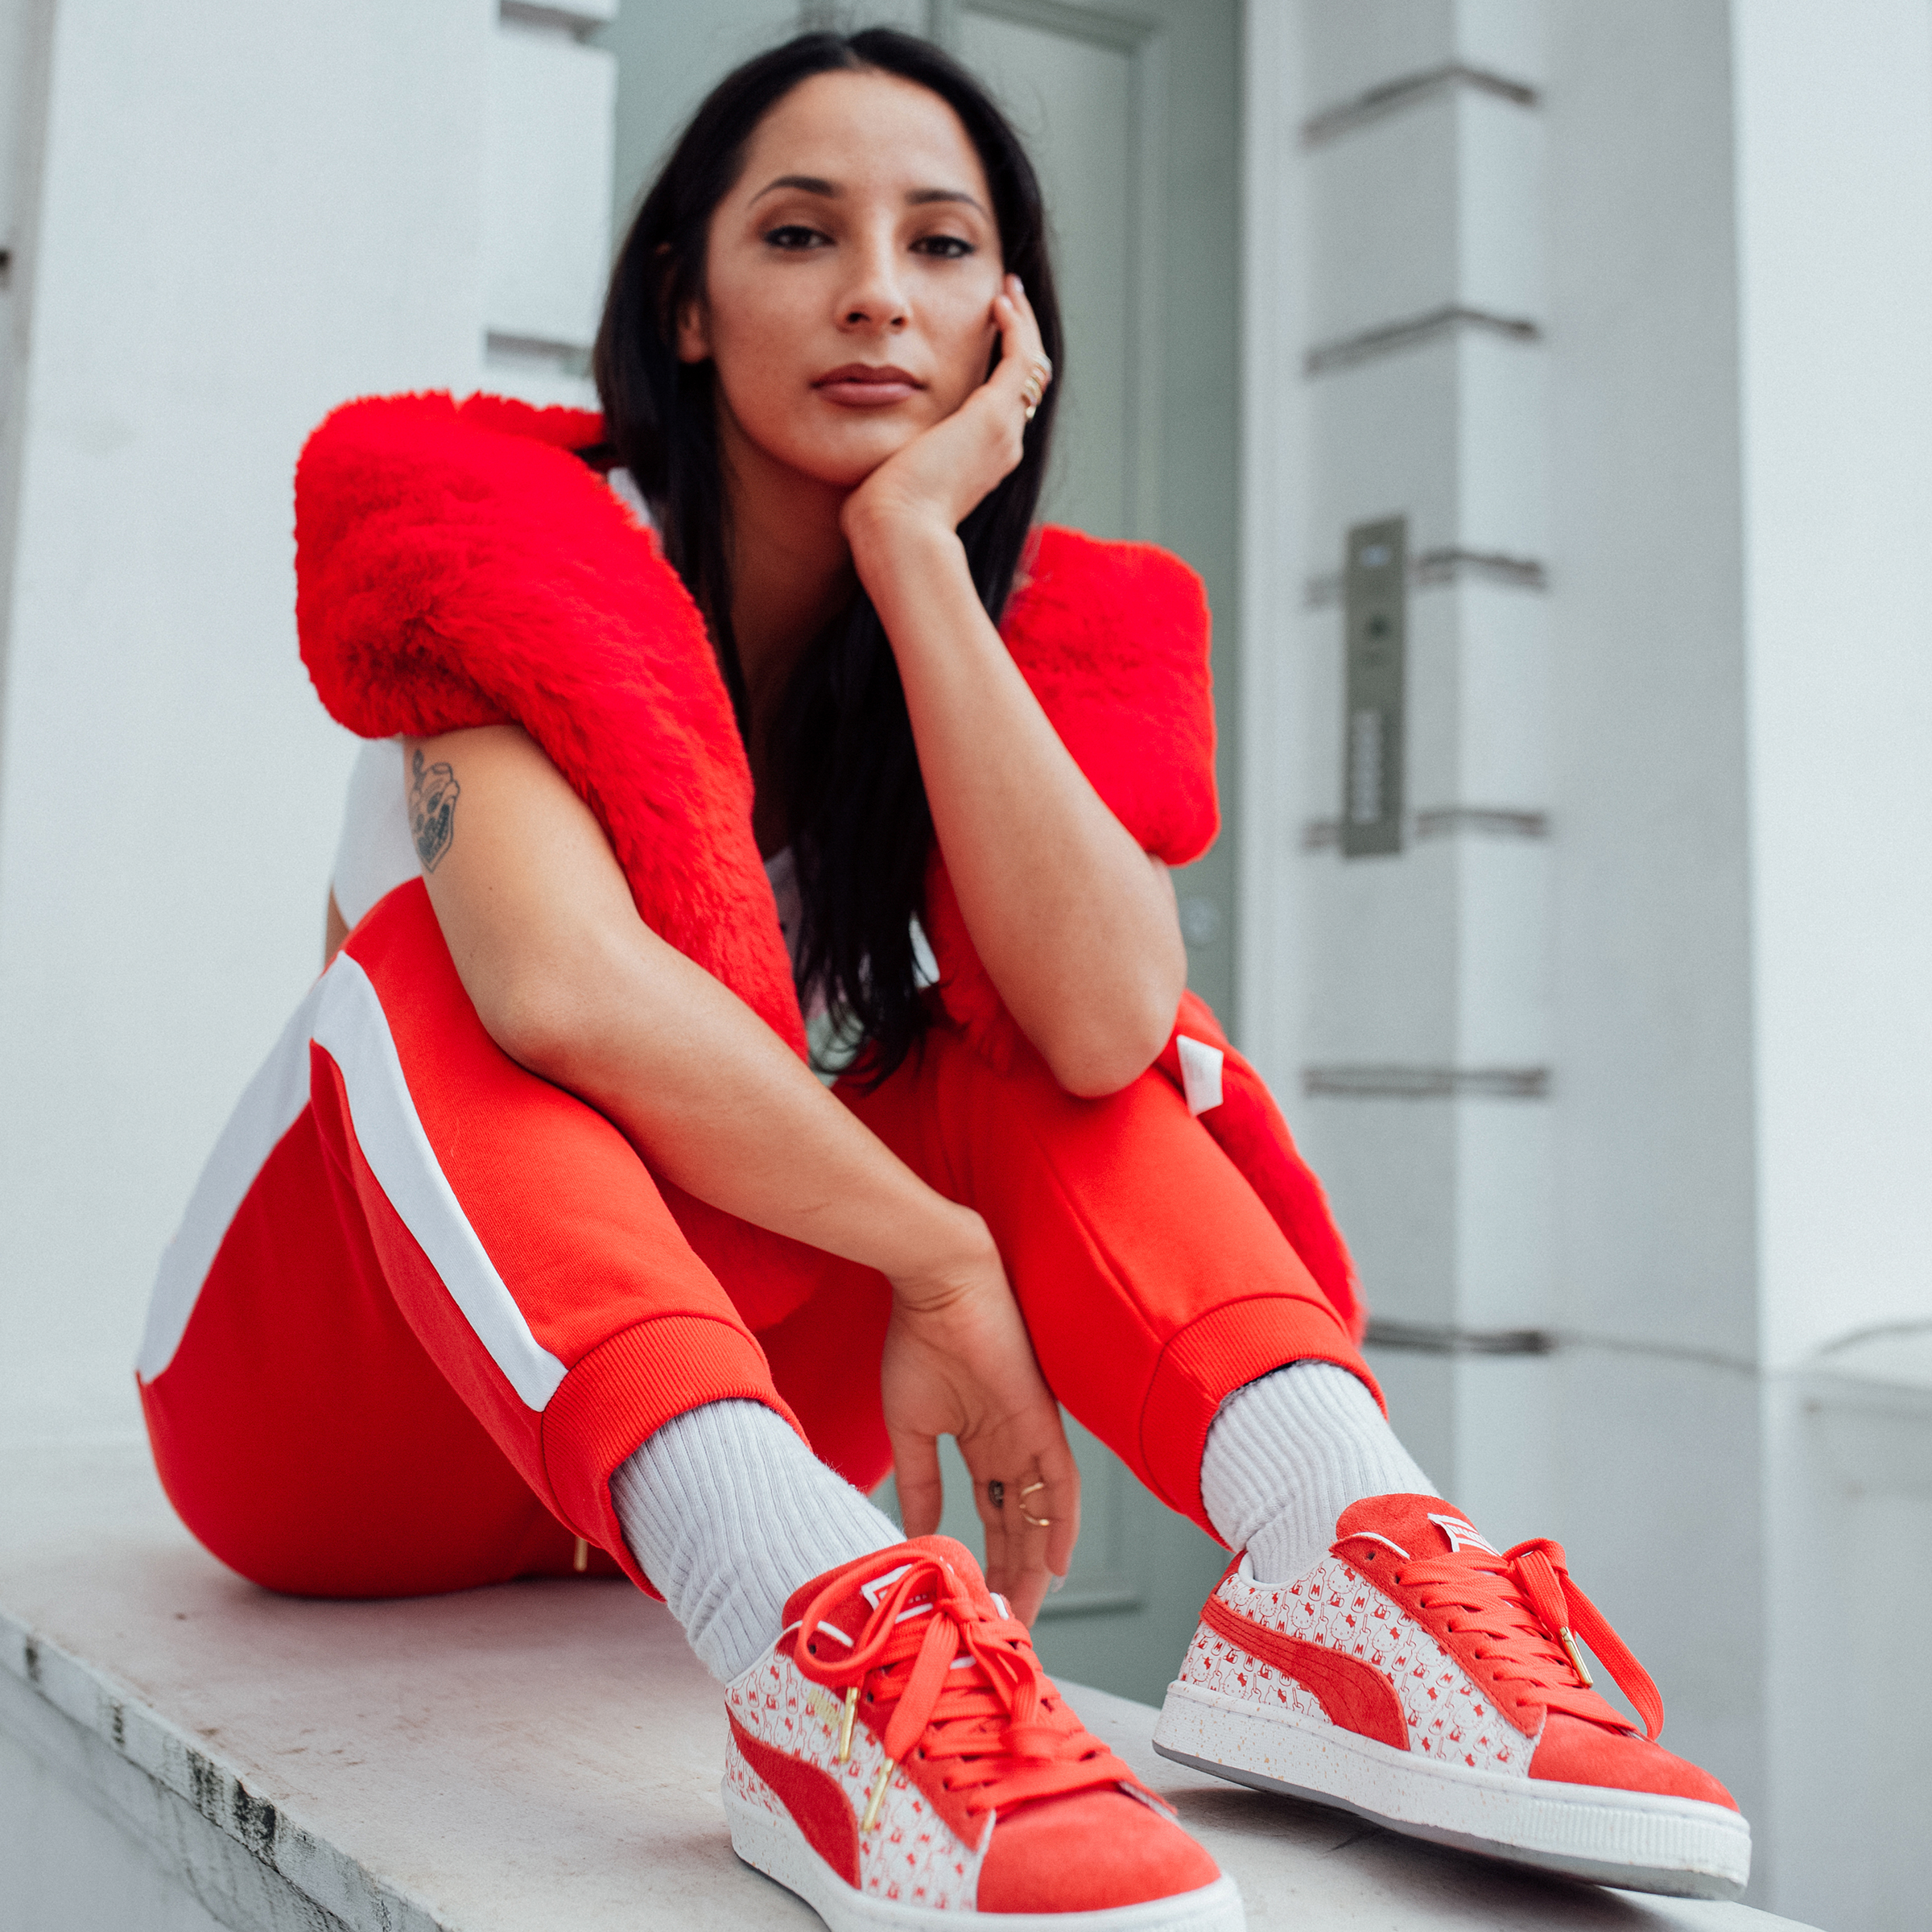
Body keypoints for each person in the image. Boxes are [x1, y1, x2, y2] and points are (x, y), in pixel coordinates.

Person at [136, 28, 1750, 1926]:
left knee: (1041, 1061)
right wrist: (933, 1248)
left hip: (709, 1384)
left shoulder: (1030, 635)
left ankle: (1350, 1562)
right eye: (804, 236)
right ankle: (809, 1653)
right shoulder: (506, 571)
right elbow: (559, 989)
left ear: (1013, 323)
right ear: (685, 306)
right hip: (341, 1432)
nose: (879, 296)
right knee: (434, 963)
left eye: (945, 247)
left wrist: (916, 555)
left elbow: (1107, 1023)